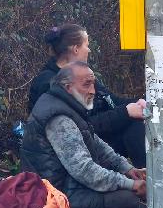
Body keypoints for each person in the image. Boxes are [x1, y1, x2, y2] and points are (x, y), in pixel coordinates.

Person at [21, 63, 146, 208]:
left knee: (125, 196)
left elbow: (96, 144)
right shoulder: (59, 119)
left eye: (93, 84)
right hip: (56, 193)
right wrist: (130, 184)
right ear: (68, 87)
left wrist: (127, 168)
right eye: (87, 84)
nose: (93, 91)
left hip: (70, 183)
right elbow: (84, 169)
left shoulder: (67, 105)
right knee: (128, 199)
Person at [27, 24, 147, 167]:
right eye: (86, 45)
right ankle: (148, 182)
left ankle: (147, 177)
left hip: (93, 139)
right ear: (75, 49)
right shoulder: (51, 83)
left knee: (136, 123)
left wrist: (141, 103)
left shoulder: (81, 74)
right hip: (66, 153)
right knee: (133, 124)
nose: (89, 50)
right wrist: (126, 112)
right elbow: (81, 126)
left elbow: (111, 100)